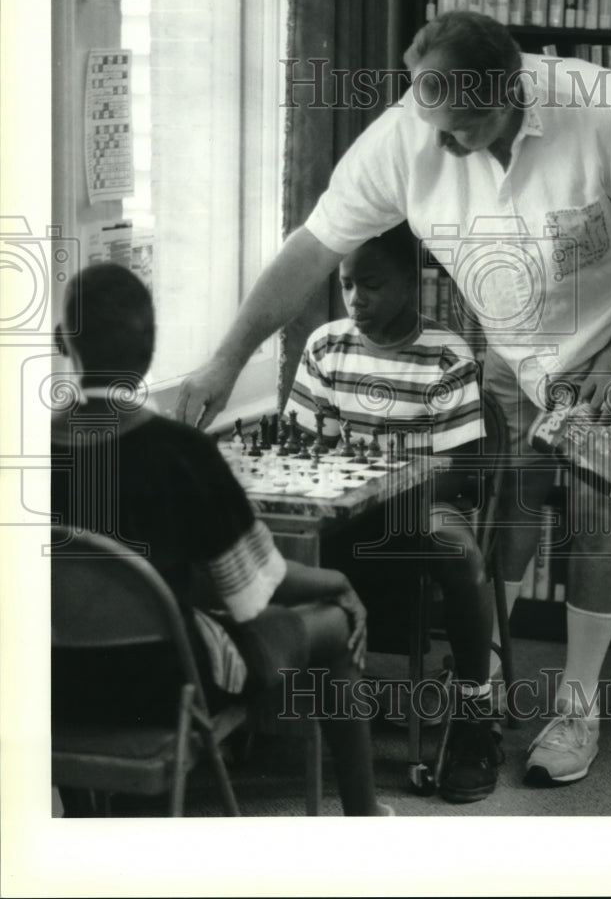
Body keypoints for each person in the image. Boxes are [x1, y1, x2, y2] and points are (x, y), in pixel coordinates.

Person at [177, 10, 611, 786]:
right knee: (515, 508)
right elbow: (312, 248)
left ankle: (578, 703)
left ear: (510, 94)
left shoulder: (607, 114)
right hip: (515, 348)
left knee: (597, 514)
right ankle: (489, 682)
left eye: (460, 128)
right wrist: (226, 360)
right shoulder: (411, 131)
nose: (444, 144)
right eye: (433, 123)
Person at [51, 262, 392, 817]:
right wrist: (341, 580)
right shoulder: (180, 452)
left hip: (50, 689)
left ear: (64, 342)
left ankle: (91, 818)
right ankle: (363, 816)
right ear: (151, 345)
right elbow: (255, 589)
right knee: (333, 618)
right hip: (166, 689)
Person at [284, 222, 502, 804]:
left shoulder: (445, 353)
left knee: (458, 553)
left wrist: (395, 487)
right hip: (344, 507)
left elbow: (463, 468)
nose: (356, 300)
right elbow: (303, 445)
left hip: (424, 502)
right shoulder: (326, 346)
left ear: (411, 281)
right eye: (348, 284)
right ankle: (298, 694)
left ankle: (475, 712)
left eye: (373, 285)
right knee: (270, 541)